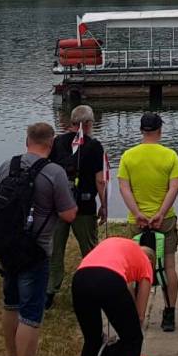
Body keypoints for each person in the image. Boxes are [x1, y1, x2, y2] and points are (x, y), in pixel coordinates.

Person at [0, 121, 78, 356]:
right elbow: (69, 215)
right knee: (30, 312)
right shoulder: (54, 172)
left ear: (26, 140)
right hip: (35, 250)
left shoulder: (7, 166)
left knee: (11, 303)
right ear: (51, 143)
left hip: (7, 246)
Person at [71, 234, 153, 356]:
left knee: (92, 340)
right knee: (132, 339)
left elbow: (124, 292)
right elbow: (139, 315)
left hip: (80, 278)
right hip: (108, 279)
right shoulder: (146, 263)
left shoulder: (119, 246)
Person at [116, 111, 178, 331]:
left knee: (135, 269)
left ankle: (135, 313)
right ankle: (169, 313)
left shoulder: (128, 156)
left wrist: (137, 212)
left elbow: (124, 188)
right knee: (169, 266)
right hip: (165, 221)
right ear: (160, 130)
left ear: (141, 130)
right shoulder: (170, 156)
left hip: (138, 222)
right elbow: (174, 187)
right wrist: (161, 213)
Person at [47, 104, 107, 303]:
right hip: (84, 206)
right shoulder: (94, 146)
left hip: (58, 205)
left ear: (71, 122)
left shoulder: (56, 143)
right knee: (89, 249)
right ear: (88, 124)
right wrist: (104, 204)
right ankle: (92, 287)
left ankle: (50, 289)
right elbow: (100, 180)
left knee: (55, 249)